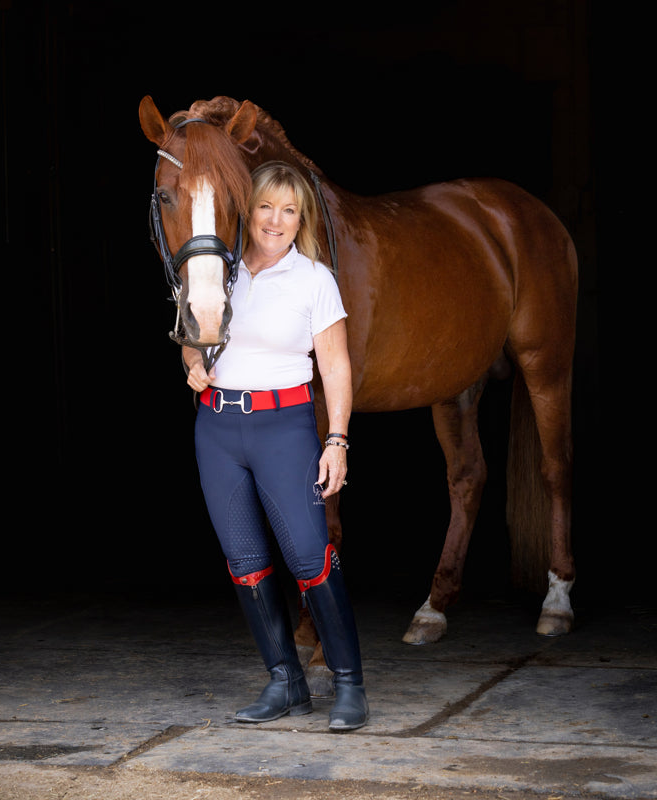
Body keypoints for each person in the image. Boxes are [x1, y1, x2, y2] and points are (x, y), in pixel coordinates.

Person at [182, 160, 368, 732]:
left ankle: (348, 684)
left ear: (300, 219)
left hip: (284, 424)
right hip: (217, 428)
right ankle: (285, 682)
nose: (276, 221)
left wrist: (335, 441)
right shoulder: (215, 270)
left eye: (290, 210)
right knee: (244, 561)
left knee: (310, 557)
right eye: (267, 206)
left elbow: (335, 368)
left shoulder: (315, 279)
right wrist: (192, 363)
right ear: (249, 209)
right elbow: (192, 342)